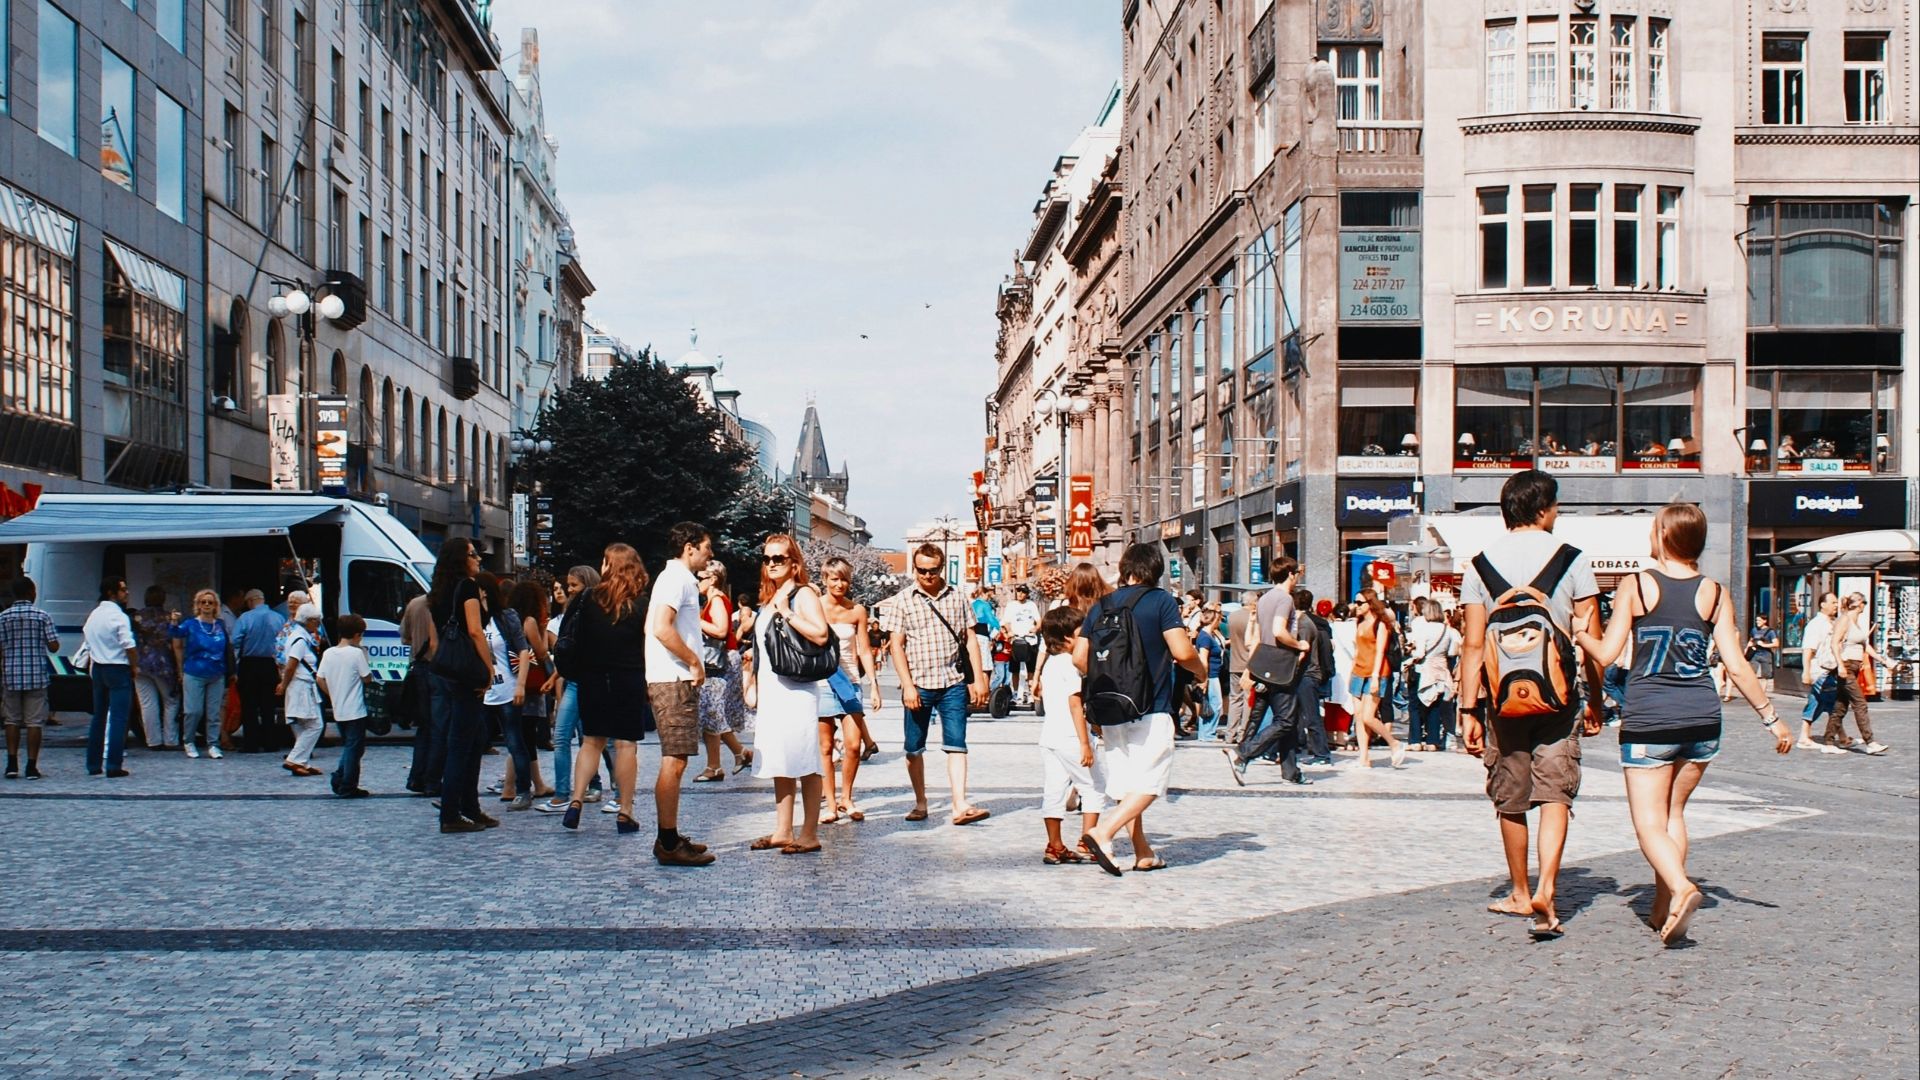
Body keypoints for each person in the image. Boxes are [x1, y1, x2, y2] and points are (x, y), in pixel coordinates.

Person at [1575, 503, 1793, 945]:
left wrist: (1579, 631)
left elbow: (1607, 653)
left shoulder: (1636, 586)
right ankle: (1662, 908)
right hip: (1701, 719)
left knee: (1648, 823)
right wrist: (1772, 720)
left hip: (1650, 718)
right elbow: (1735, 664)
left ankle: (1681, 887)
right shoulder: (1714, 592)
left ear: (1664, 537)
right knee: (1674, 813)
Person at [1457, 470, 1605, 940]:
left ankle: (1520, 891)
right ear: (1543, 510)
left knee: (1511, 798)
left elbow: (1474, 645)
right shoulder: (1574, 560)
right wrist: (1596, 699)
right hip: (1559, 699)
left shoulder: (1479, 566)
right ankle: (1548, 887)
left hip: (1502, 703)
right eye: (1556, 506)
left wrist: (1467, 709)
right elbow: (1592, 640)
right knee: (1555, 793)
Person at [1075, 543, 1203, 875]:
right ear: (1155, 570)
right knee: (1151, 782)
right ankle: (1102, 832)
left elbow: (1078, 658)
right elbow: (1181, 651)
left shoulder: (1101, 605)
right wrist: (1200, 670)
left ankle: (1142, 852)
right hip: (1152, 705)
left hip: (1111, 708)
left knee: (1127, 784)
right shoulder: (1160, 601)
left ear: (1125, 568)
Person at [559, 546, 669, 850]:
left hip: (592, 677)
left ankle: (576, 801)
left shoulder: (587, 598)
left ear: (609, 565)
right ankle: (625, 810)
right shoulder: (641, 603)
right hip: (628, 677)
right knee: (625, 745)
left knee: (591, 741)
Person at [881, 543, 989, 825]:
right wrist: (906, 685)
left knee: (957, 744)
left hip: (952, 681)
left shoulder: (958, 597)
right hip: (919, 683)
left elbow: (971, 640)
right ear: (914, 568)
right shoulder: (903, 600)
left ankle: (959, 804)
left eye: (933, 571)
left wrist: (977, 679)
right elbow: (896, 645)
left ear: (941, 568)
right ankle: (920, 801)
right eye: (922, 571)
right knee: (914, 748)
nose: (927, 576)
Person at [742, 533, 831, 854]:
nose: (771, 564)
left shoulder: (802, 594)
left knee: (805, 760)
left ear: (794, 563)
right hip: (774, 691)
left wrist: (787, 611)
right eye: (767, 559)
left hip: (797, 690)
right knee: (781, 760)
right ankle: (783, 830)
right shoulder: (770, 598)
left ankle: (809, 833)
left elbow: (821, 634)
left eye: (779, 558)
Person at [646, 523, 718, 867]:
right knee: (674, 761)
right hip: (673, 678)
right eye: (707, 547)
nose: (710, 553)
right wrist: (693, 662)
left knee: (676, 760)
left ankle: (670, 837)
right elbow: (661, 628)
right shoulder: (677, 579)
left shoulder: (676, 578)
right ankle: (668, 842)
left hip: (671, 677)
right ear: (689, 547)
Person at [430, 538, 498, 835]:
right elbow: (474, 630)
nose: (479, 559)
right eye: (474, 554)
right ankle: (452, 811)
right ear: (461, 558)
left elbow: (439, 636)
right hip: (468, 669)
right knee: (463, 742)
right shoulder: (467, 586)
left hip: (449, 669)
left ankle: (468, 807)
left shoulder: (439, 591)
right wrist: (488, 668)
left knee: (472, 738)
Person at [1225, 567, 1314, 787]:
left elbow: (1255, 637)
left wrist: (1250, 667)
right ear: (1291, 574)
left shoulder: (1263, 599)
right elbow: (1278, 631)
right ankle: (1243, 754)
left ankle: (1291, 772)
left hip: (1263, 663)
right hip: (1281, 665)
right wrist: (1299, 644)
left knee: (1272, 718)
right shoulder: (1284, 599)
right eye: (1297, 575)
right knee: (1285, 720)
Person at [1036, 605, 1111, 864]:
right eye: (1082, 633)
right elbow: (1075, 704)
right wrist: (1085, 743)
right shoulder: (1072, 664)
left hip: (1050, 736)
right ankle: (1088, 840)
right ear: (1068, 638)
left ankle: (1054, 845)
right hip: (1071, 736)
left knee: (1054, 789)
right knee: (1094, 787)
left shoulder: (1050, 663)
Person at [539, 566, 611, 813]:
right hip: (574, 680)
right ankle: (561, 794)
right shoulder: (571, 612)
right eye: (567, 585)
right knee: (561, 736)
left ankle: (619, 792)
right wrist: (557, 675)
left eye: (573, 585)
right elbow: (570, 651)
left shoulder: (595, 611)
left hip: (592, 681)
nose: (568, 590)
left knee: (603, 740)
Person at [818, 556, 882, 822]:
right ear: (825, 579)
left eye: (844, 578)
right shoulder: (815, 607)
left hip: (850, 682)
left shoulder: (857, 610)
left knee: (854, 746)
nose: (840, 584)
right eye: (834, 578)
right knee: (824, 747)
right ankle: (830, 804)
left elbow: (864, 650)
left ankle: (847, 797)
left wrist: (874, 686)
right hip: (821, 681)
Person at [692, 561, 753, 784]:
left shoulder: (717, 600)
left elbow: (720, 630)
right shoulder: (714, 600)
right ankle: (739, 754)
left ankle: (715, 766)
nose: (697, 582)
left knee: (711, 713)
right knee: (713, 713)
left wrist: (696, 620)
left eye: (701, 578)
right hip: (719, 662)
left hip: (720, 662)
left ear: (713, 578)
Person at [478, 573, 534, 808]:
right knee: (473, 743)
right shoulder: (472, 619)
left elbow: (523, 650)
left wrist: (521, 684)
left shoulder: (505, 616)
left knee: (514, 740)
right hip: (482, 691)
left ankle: (523, 790)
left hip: (507, 688)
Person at [501, 579, 556, 805]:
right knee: (525, 736)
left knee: (523, 736)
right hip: (531, 685)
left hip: (513, 681)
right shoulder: (530, 621)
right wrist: (544, 629)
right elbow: (541, 652)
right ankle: (510, 785)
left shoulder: (508, 619)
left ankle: (535, 783)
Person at [1, 576, 60, 780]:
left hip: (10, 675)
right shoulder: (42, 616)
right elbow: (54, 646)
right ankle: (32, 766)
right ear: (30, 592)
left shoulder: (3, 617)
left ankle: (11, 764)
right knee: (35, 722)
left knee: (12, 720)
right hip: (36, 674)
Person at [83, 577, 138, 778]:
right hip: (117, 667)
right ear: (111, 592)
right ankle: (114, 764)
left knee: (98, 717)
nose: (127, 593)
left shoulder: (94, 615)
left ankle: (93, 763)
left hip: (98, 667)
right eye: (123, 589)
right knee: (118, 717)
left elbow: (87, 638)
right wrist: (135, 666)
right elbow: (128, 645)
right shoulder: (119, 616)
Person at [1350, 588, 1408, 768]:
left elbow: (1380, 652)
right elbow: (1357, 650)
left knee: (1368, 716)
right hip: (1358, 672)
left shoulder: (1380, 624)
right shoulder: (1359, 622)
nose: (1356, 606)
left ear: (1370, 604)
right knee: (1359, 717)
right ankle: (1364, 757)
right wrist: (1351, 671)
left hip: (1376, 672)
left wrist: (1375, 677)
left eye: (1360, 603)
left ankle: (1394, 743)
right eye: (1356, 602)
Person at [170, 589, 230, 760]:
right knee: (193, 711)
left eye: (210, 602)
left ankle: (213, 744)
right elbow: (175, 633)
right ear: (197, 605)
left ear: (215, 606)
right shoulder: (191, 624)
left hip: (216, 673)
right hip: (194, 672)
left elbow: (227, 648)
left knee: (214, 712)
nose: (206, 605)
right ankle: (188, 741)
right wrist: (174, 621)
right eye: (203, 602)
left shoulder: (220, 625)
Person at [318, 613, 375, 797]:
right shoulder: (356, 653)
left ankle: (340, 778)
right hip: (356, 708)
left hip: (338, 708)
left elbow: (320, 679)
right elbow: (367, 678)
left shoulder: (328, 653)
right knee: (355, 748)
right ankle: (346, 783)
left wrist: (332, 694)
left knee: (350, 746)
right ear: (357, 635)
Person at [1829, 593, 1889, 755]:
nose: (1865, 605)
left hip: (1854, 667)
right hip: (1846, 667)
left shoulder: (1856, 622)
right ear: (1858, 604)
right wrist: (1840, 665)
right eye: (1865, 602)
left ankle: (1828, 741)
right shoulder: (1845, 620)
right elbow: (1834, 643)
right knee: (1860, 703)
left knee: (1841, 705)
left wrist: (1881, 659)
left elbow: (1864, 645)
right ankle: (1870, 742)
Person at [231, 590, 286, 754]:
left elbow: (235, 641)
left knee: (250, 706)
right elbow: (283, 642)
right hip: (270, 664)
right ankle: (270, 742)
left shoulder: (245, 618)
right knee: (268, 705)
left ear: (249, 601)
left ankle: (251, 743)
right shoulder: (278, 618)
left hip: (250, 664)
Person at [276, 604, 326, 777]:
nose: (318, 624)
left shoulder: (299, 636)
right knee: (315, 725)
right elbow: (291, 666)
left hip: (302, 685)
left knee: (305, 724)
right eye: (316, 621)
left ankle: (301, 761)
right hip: (301, 686)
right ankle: (295, 759)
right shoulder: (299, 639)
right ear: (310, 621)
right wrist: (283, 684)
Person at [1406, 597, 1459, 752]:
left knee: (1415, 705)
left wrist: (1412, 656)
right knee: (1435, 705)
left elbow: (1421, 653)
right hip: (1440, 669)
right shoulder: (1447, 630)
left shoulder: (1424, 629)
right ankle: (1432, 741)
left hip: (1423, 669)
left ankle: (1415, 740)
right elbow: (1451, 652)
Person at [131, 586, 182, 750]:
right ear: (163, 599)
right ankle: (171, 739)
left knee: (147, 703)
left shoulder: (136, 617)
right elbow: (176, 643)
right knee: (171, 701)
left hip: (140, 664)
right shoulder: (169, 618)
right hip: (163, 665)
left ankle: (153, 740)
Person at [401, 590, 441, 794]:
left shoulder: (414, 604)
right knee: (438, 728)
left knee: (424, 728)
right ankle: (431, 779)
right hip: (436, 670)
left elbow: (405, 638)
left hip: (418, 668)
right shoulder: (442, 604)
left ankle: (417, 776)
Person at [1795, 592, 1844, 754]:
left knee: (1817, 702)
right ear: (1823, 604)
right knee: (1834, 703)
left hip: (1828, 670)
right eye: (1833, 602)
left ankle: (1804, 737)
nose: (1836, 606)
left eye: (1837, 603)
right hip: (1820, 670)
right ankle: (1838, 738)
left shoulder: (1830, 623)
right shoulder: (1816, 625)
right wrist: (1806, 672)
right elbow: (1808, 649)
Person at [1002, 585, 1042, 706]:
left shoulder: (1031, 605)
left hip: (1030, 640)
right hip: (1016, 640)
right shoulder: (1011, 605)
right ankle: (1015, 694)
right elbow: (1006, 621)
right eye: (1018, 591)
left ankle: (1030, 693)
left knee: (1031, 668)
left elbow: (1039, 620)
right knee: (1015, 669)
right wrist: (1009, 632)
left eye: (1023, 592)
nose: (1020, 594)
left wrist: (1035, 628)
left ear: (1027, 594)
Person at [1222, 599, 1255, 747]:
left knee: (1235, 698)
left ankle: (1230, 733)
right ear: (1253, 602)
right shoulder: (1253, 618)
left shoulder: (1232, 616)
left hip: (1234, 662)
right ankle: (1243, 733)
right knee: (1248, 700)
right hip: (1249, 664)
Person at [1194, 603, 1225, 741]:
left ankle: (1206, 732)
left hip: (1212, 674)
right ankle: (1207, 733)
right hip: (1210, 675)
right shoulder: (1206, 637)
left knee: (1209, 703)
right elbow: (1203, 659)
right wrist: (1204, 679)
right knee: (1215, 703)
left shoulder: (1207, 635)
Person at [1747, 614, 1778, 695]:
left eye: (1759, 620)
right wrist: (1747, 649)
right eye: (1757, 620)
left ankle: (1762, 694)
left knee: (1765, 676)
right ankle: (1753, 691)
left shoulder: (1770, 631)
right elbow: (1751, 640)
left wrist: (1764, 645)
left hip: (1766, 655)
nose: (1757, 622)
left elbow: (1776, 644)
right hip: (1755, 654)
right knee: (1751, 673)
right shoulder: (1754, 630)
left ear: (1765, 621)